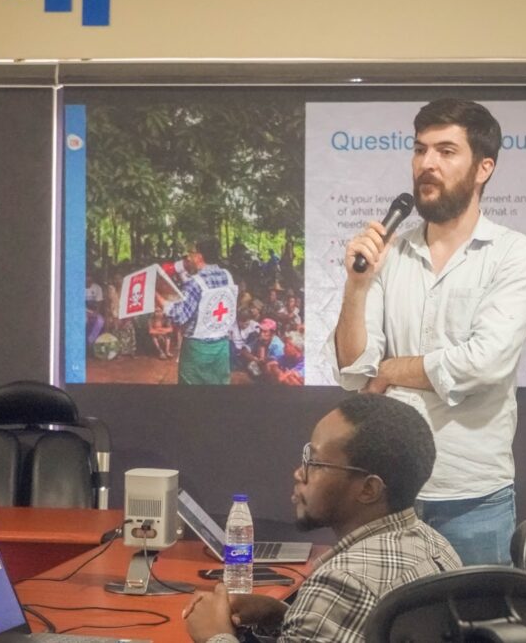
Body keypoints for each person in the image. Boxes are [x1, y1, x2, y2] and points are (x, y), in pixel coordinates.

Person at [325, 98, 526, 565]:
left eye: (446, 151)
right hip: (388, 496)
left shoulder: (514, 254)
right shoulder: (391, 254)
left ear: (483, 168)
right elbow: (353, 372)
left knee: (475, 634)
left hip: (473, 499)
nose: (427, 163)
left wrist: (390, 370)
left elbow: (484, 363)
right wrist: (357, 286)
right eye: (420, 149)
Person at [183, 393, 461, 643]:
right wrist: (284, 615)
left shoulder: (344, 581)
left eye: (314, 463)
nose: (299, 473)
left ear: (368, 489)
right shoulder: (436, 545)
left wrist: (215, 635)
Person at [159, 238, 239, 384]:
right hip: (222, 347)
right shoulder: (227, 276)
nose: (188, 257)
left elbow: (179, 317)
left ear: (199, 257)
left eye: (191, 253)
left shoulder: (195, 283)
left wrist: (157, 297)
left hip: (197, 351)